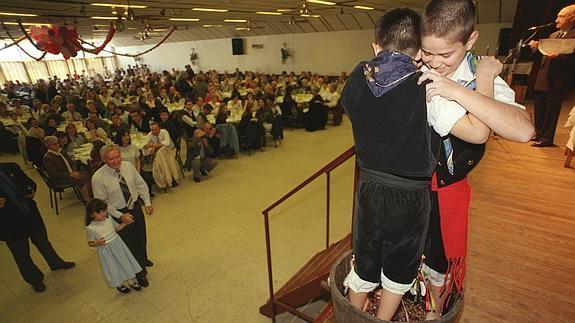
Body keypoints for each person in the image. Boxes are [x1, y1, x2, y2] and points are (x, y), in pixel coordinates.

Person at [416, 0, 534, 318]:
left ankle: (433, 311)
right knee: (410, 253)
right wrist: (478, 84)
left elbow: (523, 130)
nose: (434, 63)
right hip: (411, 186)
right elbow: (479, 132)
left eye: (445, 55)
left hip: (448, 190)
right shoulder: (417, 71)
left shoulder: (482, 77)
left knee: (440, 258)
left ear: (470, 41)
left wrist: (464, 89)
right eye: (427, 52)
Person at [341, 8, 442, 320]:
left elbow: (350, 105)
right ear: (419, 51)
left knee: (366, 260)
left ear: (375, 46)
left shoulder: (357, 78)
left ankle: (347, 317)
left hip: (368, 188)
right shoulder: (427, 84)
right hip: (410, 196)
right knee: (399, 268)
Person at [0, 162, 75, 293]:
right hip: (8, 224)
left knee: (43, 242)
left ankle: (55, 263)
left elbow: (29, 182)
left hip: (29, 214)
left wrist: (31, 190)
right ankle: (35, 279)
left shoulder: (11, 167)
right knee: (21, 254)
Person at [91, 144, 153, 288]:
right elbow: (102, 203)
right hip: (118, 213)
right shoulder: (98, 178)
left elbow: (140, 184)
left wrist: (147, 202)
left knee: (141, 237)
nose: (116, 161)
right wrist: (121, 215)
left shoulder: (128, 166)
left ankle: (143, 259)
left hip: (134, 206)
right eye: (111, 159)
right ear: (103, 159)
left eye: (118, 156)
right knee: (130, 244)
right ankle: (140, 273)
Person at [529, 5, 575, 147]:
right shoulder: (553, 35)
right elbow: (544, 56)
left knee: (551, 109)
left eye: (561, 16)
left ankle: (546, 138)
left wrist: (559, 57)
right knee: (540, 107)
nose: (556, 20)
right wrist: (536, 49)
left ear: (572, 18)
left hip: (558, 79)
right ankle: (538, 133)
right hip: (543, 75)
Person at [85, 198, 142, 293]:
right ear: (91, 214)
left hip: (118, 245)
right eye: (99, 213)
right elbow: (90, 242)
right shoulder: (91, 228)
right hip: (106, 251)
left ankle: (131, 280)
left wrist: (124, 223)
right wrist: (97, 243)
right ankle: (119, 284)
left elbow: (117, 228)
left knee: (125, 262)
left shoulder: (108, 219)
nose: (103, 214)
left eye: (104, 211)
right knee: (113, 267)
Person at [43, 135, 92, 201]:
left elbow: (70, 162)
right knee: (82, 177)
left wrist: (74, 171)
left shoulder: (60, 152)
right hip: (61, 179)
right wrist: (70, 174)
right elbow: (54, 174)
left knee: (87, 173)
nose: (57, 145)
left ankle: (90, 194)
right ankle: (86, 197)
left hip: (69, 172)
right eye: (54, 144)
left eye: (57, 143)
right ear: (48, 146)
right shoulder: (48, 158)